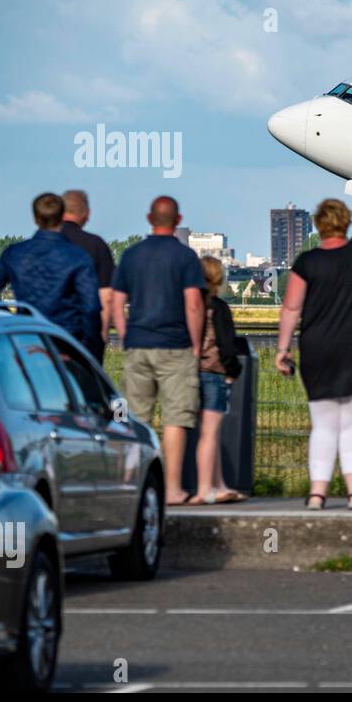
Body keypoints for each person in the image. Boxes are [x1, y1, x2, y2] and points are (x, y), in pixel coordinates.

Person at [276, 165, 352, 510]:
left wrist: (282, 350)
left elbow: (290, 308)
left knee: (324, 426)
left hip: (318, 348)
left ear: (317, 225)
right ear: (345, 223)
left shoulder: (307, 262)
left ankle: (317, 494)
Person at [112, 196, 206, 506]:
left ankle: (135, 488)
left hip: (138, 345)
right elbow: (193, 304)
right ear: (177, 219)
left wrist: (125, 334)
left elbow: (116, 302)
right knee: (175, 419)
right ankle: (173, 488)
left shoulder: (131, 256)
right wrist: (195, 344)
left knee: (135, 419)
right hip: (175, 345)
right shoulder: (185, 257)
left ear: (149, 218)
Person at [0, 193, 99, 349]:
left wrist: (13, 321)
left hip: (27, 338)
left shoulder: (14, 253)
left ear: (35, 218)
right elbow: (91, 307)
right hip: (67, 340)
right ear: (62, 216)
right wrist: (88, 344)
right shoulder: (78, 256)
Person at [194, 255, 247, 505]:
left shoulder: (193, 305)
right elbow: (227, 346)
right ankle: (206, 489)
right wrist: (233, 370)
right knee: (211, 433)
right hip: (214, 373)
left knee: (206, 434)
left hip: (192, 372)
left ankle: (219, 484)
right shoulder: (218, 307)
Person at [60, 189, 116, 364]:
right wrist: (101, 338)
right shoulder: (96, 245)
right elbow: (106, 298)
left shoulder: (43, 244)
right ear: (87, 214)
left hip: (45, 337)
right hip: (84, 337)